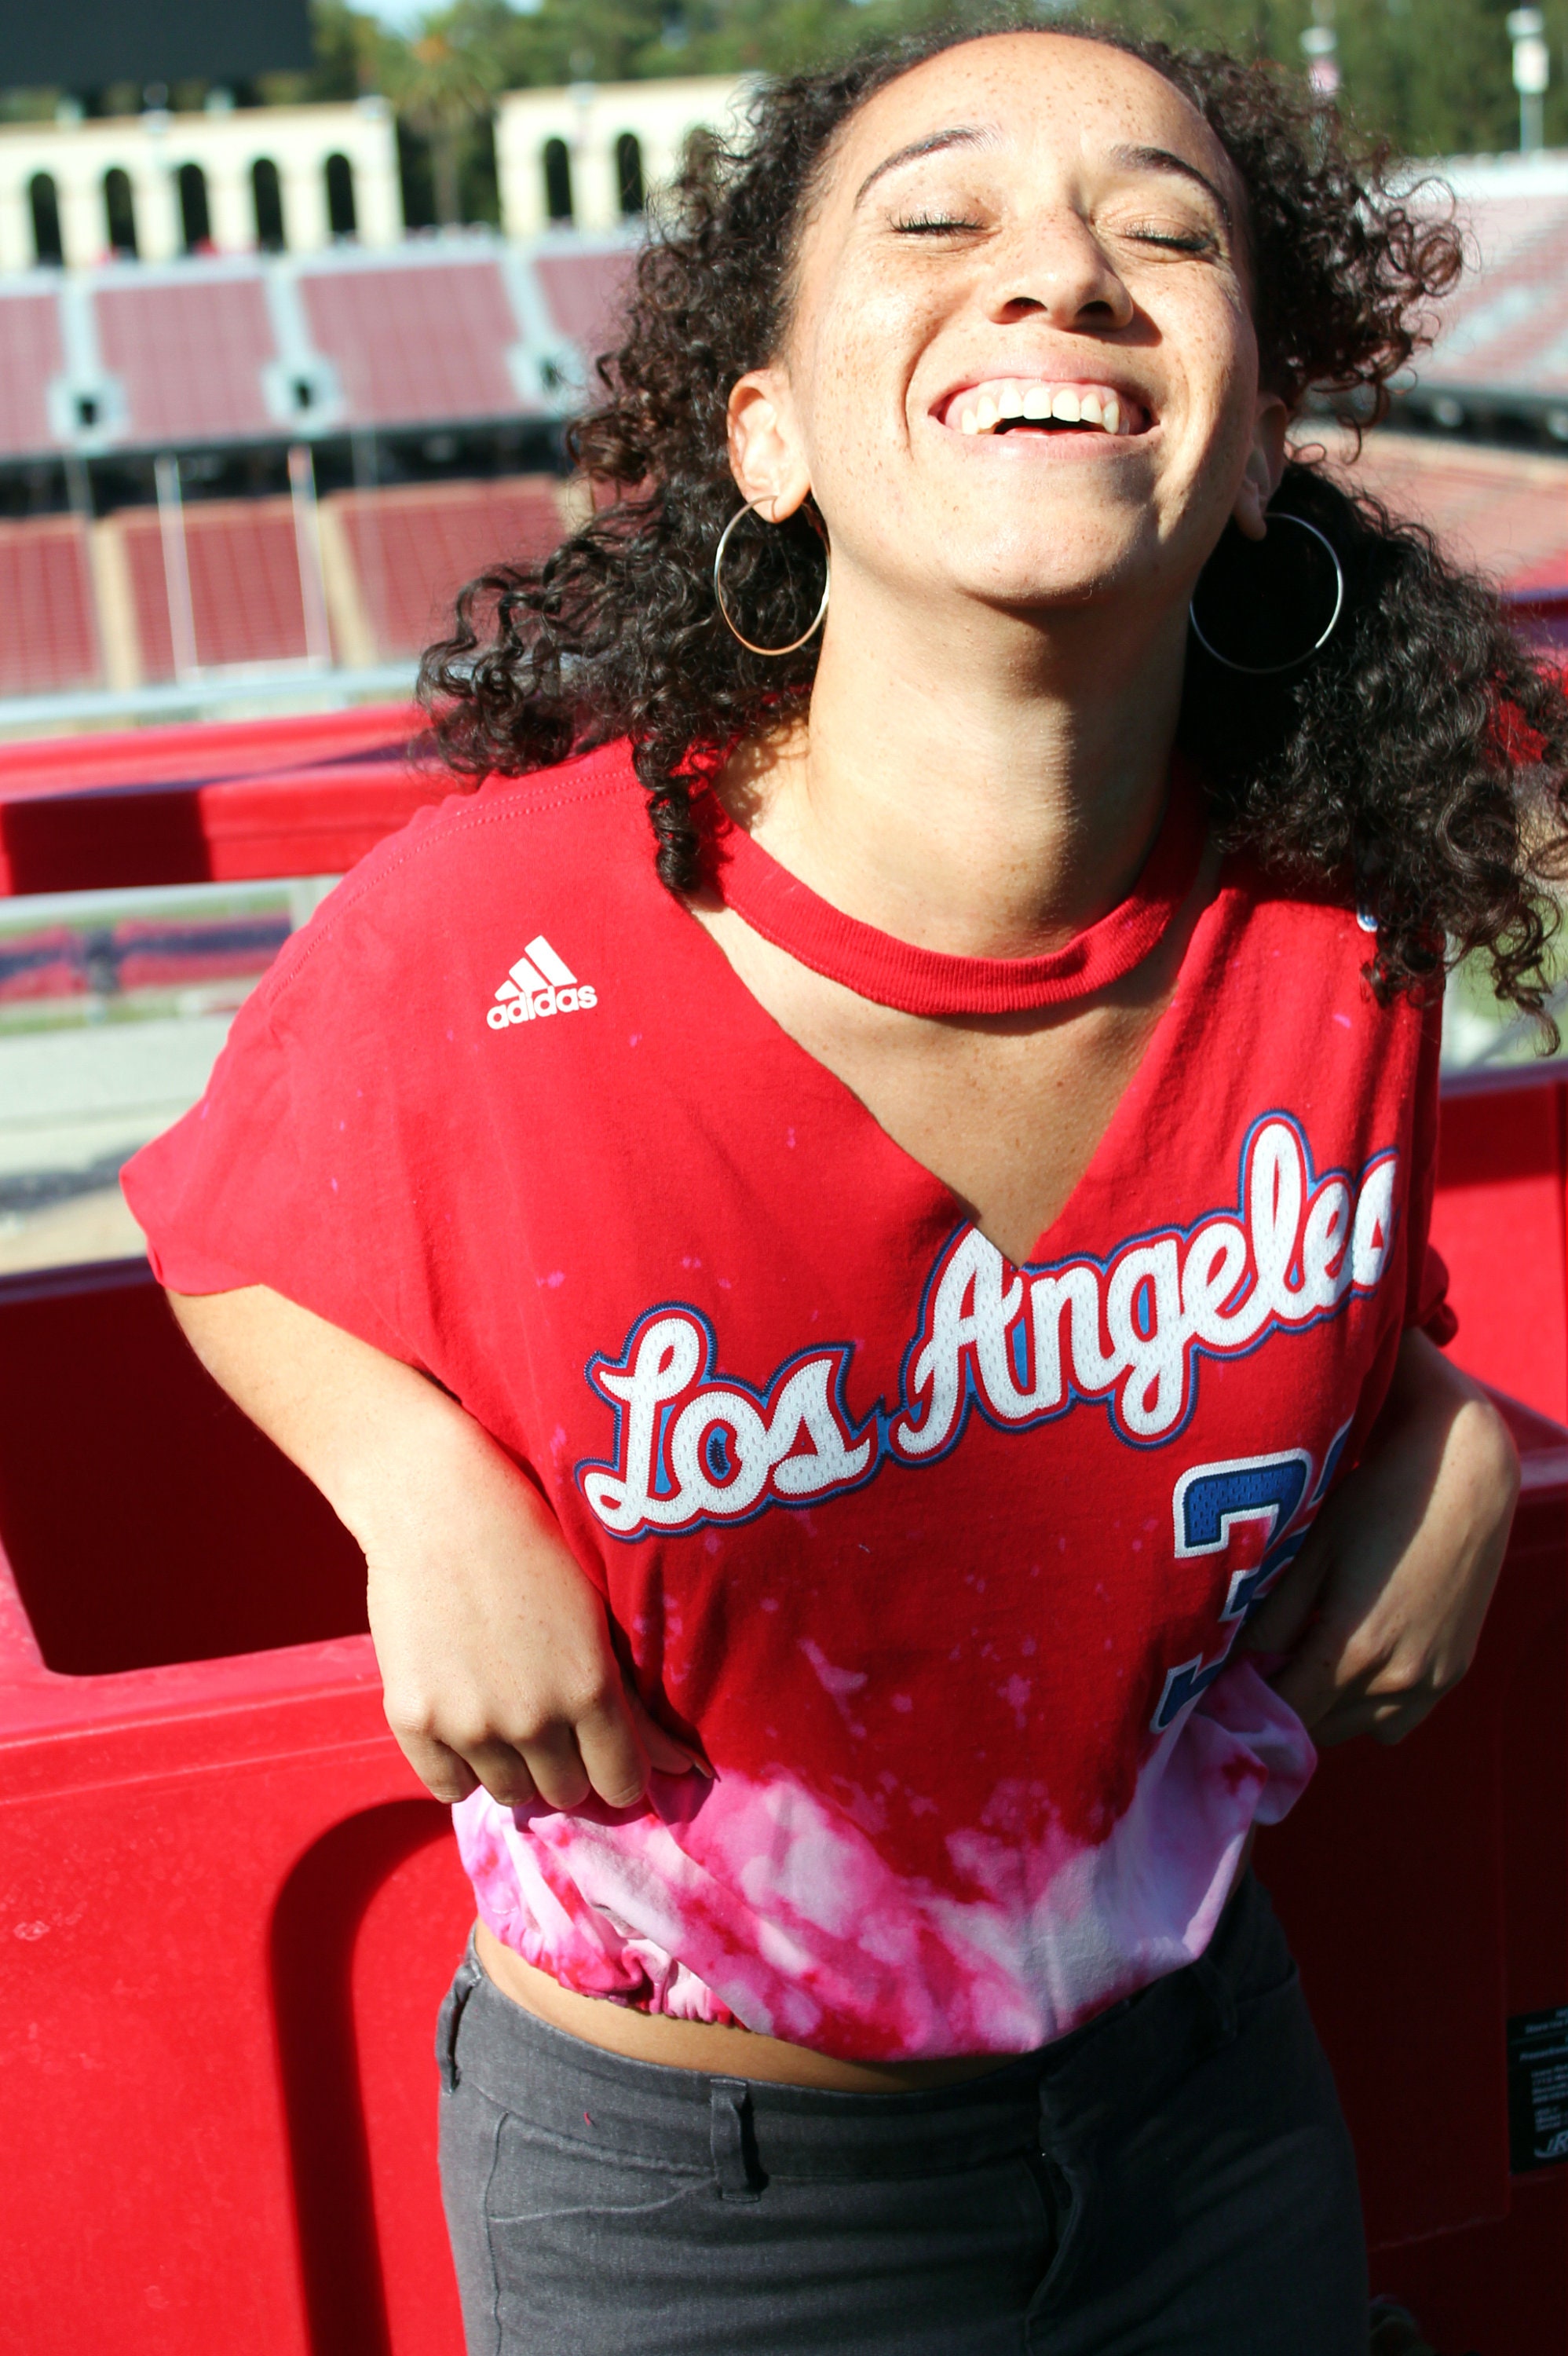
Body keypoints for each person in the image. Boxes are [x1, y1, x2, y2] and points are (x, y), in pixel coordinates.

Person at [122, 22, 1561, 2353]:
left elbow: (1313, 1318)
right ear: (765, 434)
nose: (1064, 276)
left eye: (1164, 234)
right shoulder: (490, 926)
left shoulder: (1341, 935)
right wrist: (414, 1486)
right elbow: (217, 1228)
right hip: (705, 2202)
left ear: (1259, 443)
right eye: (938, 220)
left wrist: (1449, 1428)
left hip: (1202, 2096)